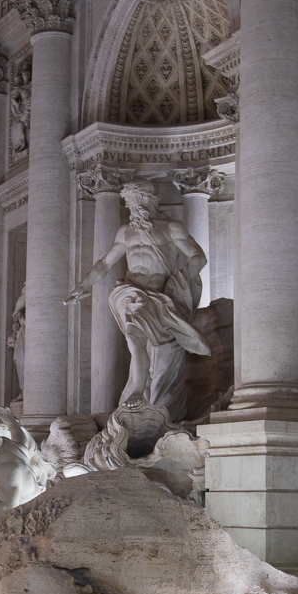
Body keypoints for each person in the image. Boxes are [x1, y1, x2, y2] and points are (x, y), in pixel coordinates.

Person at [65, 179, 209, 421]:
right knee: (134, 338)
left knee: (151, 349)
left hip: (159, 298)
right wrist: (82, 286)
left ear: (148, 199)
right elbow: (105, 264)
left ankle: (143, 395)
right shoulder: (125, 232)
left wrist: (178, 282)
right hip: (130, 294)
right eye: (128, 203)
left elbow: (199, 258)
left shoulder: (172, 227)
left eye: (133, 201)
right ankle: (137, 391)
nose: (131, 207)